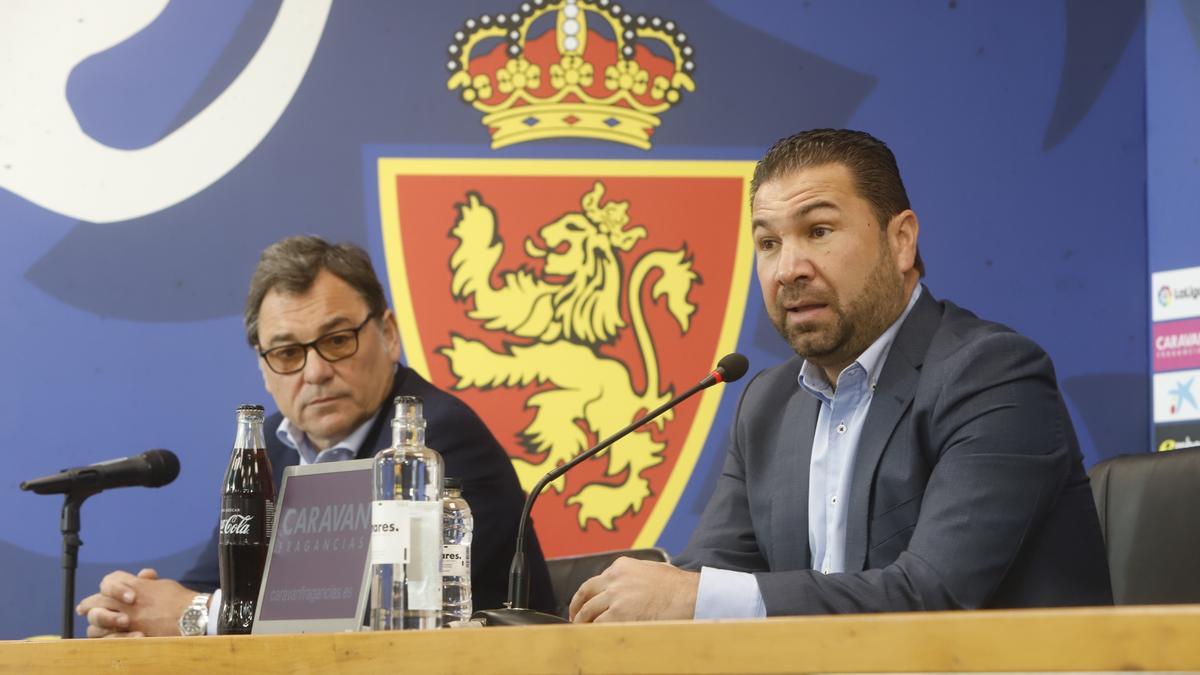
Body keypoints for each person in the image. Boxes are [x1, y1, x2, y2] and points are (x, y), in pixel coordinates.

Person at [569, 129, 1113, 622]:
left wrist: (693, 598)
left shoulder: (991, 374)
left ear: (901, 240)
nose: (788, 269)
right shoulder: (768, 402)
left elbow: (932, 598)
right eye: (768, 243)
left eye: (819, 230)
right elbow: (710, 576)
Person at [77, 236, 555, 637]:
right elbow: (219, 578)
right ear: (264, 369)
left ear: (389, 334)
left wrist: (197, 615)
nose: (317, 372)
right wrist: (133, 610)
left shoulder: (434, 440)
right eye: (287, 353)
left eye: (337, 340)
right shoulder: (271, 445)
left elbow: (383, 613)